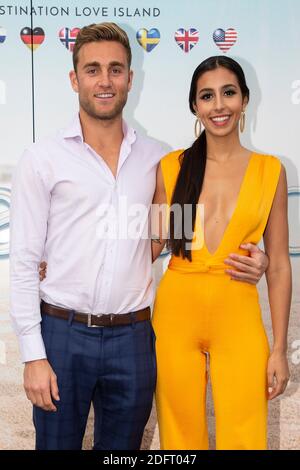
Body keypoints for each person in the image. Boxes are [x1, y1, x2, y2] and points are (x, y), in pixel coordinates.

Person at [10, 22, 269, 451]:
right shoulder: (42, 159)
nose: (105, 80)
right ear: (75, 79)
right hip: (61, 334)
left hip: (133, 340)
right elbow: (23, 261)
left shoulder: (161, 159)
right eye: (92, 70)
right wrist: (33, 354)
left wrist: (253, 255)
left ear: (131, 78)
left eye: (116, 69)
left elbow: (181, 235)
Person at [151, 56, 291, 450]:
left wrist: (279, 349)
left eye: (228, 93)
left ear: (245, 99)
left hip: (239, 317)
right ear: (195, 106)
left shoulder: (270, 171)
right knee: (178, 439)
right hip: (175, 318)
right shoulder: (172, 168)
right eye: (206, 96)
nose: (219, 105)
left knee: (246, 436)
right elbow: (151, 246)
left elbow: (278, 265)